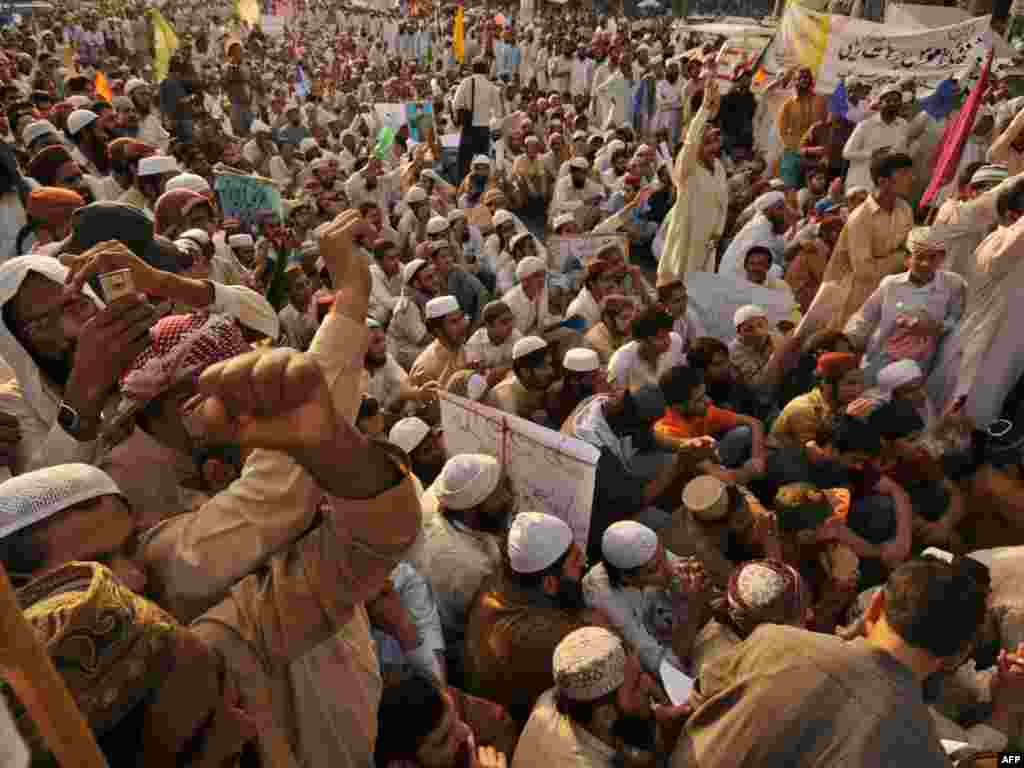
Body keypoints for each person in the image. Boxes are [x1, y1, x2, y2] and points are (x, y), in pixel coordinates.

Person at [672, 558, 987, 767]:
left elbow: (695, 702)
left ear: (875, 605)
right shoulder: (923, 752)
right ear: (958, 656)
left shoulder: (773, 641)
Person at [463, 511, 591, 725]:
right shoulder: (542, 635)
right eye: (576, 560)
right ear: (549, 584)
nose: (584, 563)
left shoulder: (498, 579)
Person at [513, 627, 690, 768]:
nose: (648, 683)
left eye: (641, 672)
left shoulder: (553, 697)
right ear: (606, 716)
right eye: (636, 685)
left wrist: (655, 716)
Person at [409, 454, 511, 672]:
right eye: (500, 493)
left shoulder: (441, 502)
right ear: (472, 510)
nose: (509, 498)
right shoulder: (472, 566)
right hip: (454, 648)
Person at [844, 226, 966, 384]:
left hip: (919, 368)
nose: (925, 264)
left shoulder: (952, 284)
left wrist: (935, 327)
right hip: (881, 357)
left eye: (932, 258)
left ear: (941, 258)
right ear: (907, 258)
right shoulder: (891, 284)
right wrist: (846, 343)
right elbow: (864, 317)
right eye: (919, 257)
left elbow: (956, 319)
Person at [814, 152, 915, 332]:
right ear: (883, 181)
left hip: (886, 296)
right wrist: (901, 259)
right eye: (904, 174)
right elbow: (864, 270)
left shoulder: (904, 209)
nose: (911, 179)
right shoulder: (860, 218)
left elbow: (909, 248)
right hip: (853, 299)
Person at [657, 79, 729, 282]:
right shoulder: (687, 167)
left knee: (702, 285)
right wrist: (704, 108)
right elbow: (690, 141)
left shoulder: (719, 169)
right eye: (708, 143)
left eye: (716, 142)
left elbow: (723, 204)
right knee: (679, 281)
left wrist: (718, 232)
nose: (714, 147)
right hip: (687, 235)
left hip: (708, 239)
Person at [375, 669, 516, 768]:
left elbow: (500, 724)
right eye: (444, 739)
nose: (465, 731)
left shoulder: (440, 702)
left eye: (456, 717)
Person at [655, 365, 767, 482]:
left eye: (704, 394)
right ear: (678, 407)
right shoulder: (669, 430)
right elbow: (717, 476)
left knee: (743, 432)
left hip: (707, 462)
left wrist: (758, 457)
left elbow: (754, 422)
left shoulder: (702, 409)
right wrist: (749, 472)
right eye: (699, 399)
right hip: (687, 482)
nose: (708, 401)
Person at [773, 352, 866, 448]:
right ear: (829, 384)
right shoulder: (803, 408)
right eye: (851, 383)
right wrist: (848, 421)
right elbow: (819, 457)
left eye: (860, 383)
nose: (858, 390)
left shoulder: (843, 406)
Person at [843, 85, 910, 193]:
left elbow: (902, 151)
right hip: (861, 184)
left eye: (896, 100)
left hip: (886, 187)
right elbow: (846, 153)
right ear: (880, 103)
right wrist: (873, 154)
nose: (893, 103)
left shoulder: (903, 125)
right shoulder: (865, 124)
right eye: (888, 100)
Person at [607, 305, 685, 392]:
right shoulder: (620, 363)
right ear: (640, 340)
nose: (667, 342)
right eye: (660, 338)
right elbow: (619, 400)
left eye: (667, 334)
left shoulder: (675, 341)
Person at [485, 336, 559, 423]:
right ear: (525, 372)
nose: (551, 371)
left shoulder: (536, 383)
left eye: (549, 365)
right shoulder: (505, 396)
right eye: (543, 367)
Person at [454, 58, 504, 180]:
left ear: (472, 68)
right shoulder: (491, 86)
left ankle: (462, 189)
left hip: (469, 128)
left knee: (464, 164)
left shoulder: (466, 82)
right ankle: (482, 191)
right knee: (483, 163)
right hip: (484, 130)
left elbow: (456, 104)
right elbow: (498, 112)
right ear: (486, 70)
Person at [410, 295, 470, 389]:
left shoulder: (458, 346)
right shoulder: (425, 368)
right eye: (454, 322)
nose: (463, 324)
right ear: (438, 331)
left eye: (462, 318)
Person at [777, 69, 823, 190]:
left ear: (811, 81)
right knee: (789, 189)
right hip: (792, 154)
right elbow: (782, 131)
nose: (803, 81)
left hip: (813, 154)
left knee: (810, 191)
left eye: (806, 78)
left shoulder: (820, 101)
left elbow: (825, 126)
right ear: (795, 82)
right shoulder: (788, 104)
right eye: (800, 78)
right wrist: (795, 149)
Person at [466, 300, 523, 390]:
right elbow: (476, 377)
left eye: (511, 320)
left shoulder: (515, 335)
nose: (510, 326)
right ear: (488, 326)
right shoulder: (475, 343)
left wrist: (499, 370)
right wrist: (509, 365)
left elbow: (523, 364)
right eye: (504, 322)